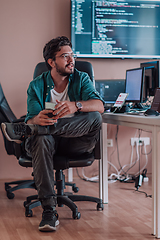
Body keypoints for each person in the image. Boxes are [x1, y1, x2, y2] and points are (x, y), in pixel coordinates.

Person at [1, 36, 104, 232]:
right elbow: (31, 116)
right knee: (41, 138)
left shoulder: (81, 78)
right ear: (51, 62)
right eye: (65, 56)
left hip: (75, 142)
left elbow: (99, 106)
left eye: (72, 55)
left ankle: (29, 130)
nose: (71, 60)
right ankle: (49, 211)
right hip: (45, 142)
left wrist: (76, 106)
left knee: (95, 118)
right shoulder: (36, 85)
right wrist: (35, 120)